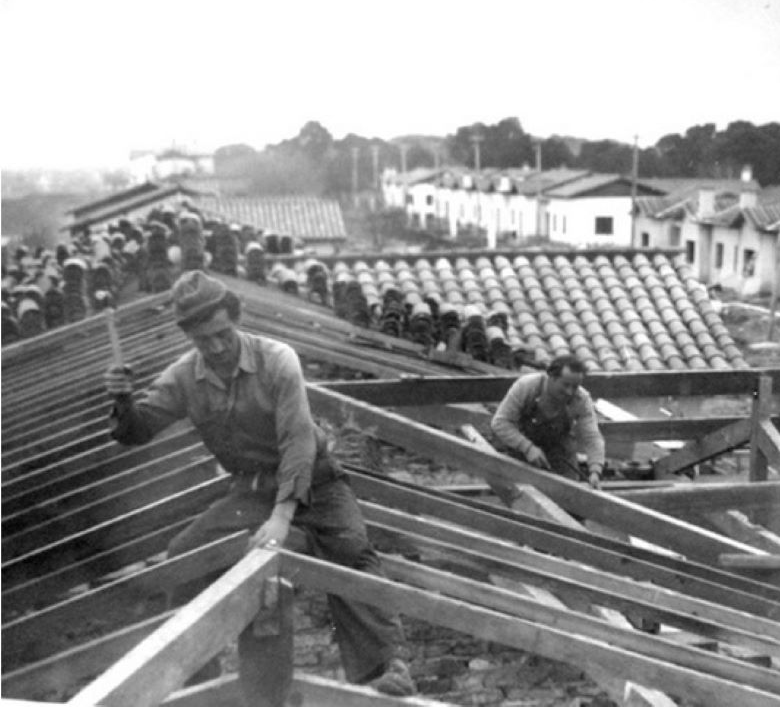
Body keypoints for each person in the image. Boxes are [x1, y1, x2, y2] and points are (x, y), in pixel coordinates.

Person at [104, 270, 415, 704]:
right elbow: (138, 430)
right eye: (202, 340)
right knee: (184, 557)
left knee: (351, 554)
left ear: (235, 317)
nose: (215, 347)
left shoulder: (277, 359)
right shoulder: (182, 377)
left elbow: (297, 443)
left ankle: (382, 672)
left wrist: (281, 518)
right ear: (189, 337)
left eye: (221, 333)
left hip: (317, 484)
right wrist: (121, 400)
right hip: (251, 492)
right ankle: (193, 681)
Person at [490, 355, 605, 489]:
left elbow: (592, 437)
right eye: (566, 385)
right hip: (520, 460)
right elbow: (500, 422)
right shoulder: (527, 387)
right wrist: (527, 448)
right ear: (551, 377)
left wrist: (595, 470)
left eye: (575, 387)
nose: (570, 392)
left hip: (561, 462)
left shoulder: (581, 399)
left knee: (568, 501)